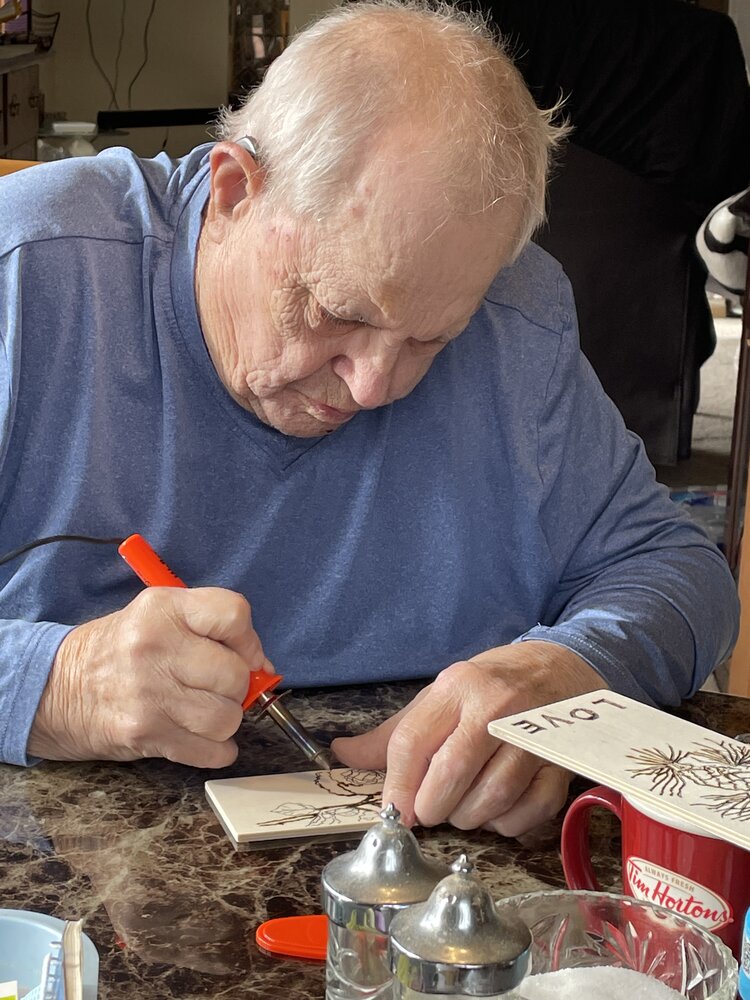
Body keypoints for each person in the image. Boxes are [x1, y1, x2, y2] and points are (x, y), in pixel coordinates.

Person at [0, 0, 738, 839]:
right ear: (235, 191)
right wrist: (57, 685)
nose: (375, 386)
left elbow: (677, 570)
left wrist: (571, 668)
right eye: (337, 312)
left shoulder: (513, 311)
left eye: (431, 339)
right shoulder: (28, 274)